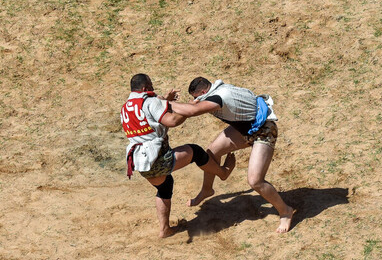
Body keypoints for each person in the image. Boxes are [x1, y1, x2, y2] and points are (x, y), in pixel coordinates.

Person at [170, 77, 295, 233]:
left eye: (196, 98)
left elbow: (192, 111)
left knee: (255, 180)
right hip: (245, 128)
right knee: (211, 153)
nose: (195, 101)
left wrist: (165, 103)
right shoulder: (217, 91)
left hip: (264, 131)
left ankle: (285, 211)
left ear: (203, 92)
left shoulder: (218, 98)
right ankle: (207, 190)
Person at [121, 74, 236, 238]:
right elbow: (172, 121)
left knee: (165, 185)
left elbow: (147, 118)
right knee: (195, 151)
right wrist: (188, 108)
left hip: (139, 162)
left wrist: (165, 101)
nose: (153, 90)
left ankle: (165, 229)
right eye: (151, 86)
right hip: (156, 159)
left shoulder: (125, 107)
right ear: (145, 88)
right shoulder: (149, 101)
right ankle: (222, 173)